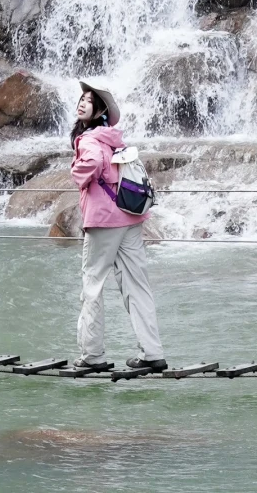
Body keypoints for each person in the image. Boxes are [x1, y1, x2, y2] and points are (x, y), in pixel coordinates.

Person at [69, 78, 167, 372]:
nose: (83, 102)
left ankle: (92, 355)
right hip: (129, 217)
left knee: (93, 284)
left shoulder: (89, 140)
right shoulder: (114, 138)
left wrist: (77, 173)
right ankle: (152, 353)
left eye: (89, 99)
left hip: (103, 221)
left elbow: (93, 161)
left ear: (99, 110)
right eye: (82, 98)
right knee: (137, 285)